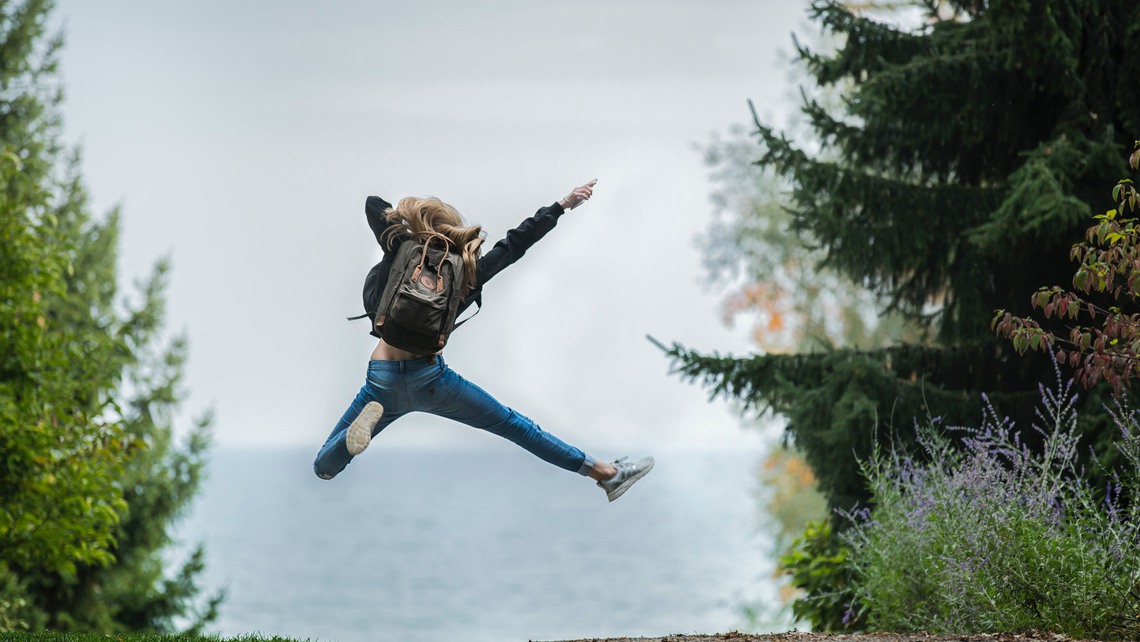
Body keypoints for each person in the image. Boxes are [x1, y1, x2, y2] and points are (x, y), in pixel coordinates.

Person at [312, 179, 654, 502]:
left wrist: (410, 223)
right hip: (431, 380)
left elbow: (374, 205)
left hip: (382, 379)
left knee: (323, 467)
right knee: (516, 427)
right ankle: (606, 474)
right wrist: (561, 205)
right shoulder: (467, 271)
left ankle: (350, 442)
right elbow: (515, 245)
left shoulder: (400, 249)